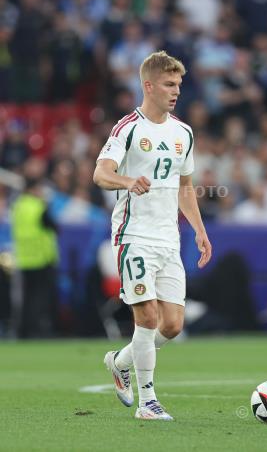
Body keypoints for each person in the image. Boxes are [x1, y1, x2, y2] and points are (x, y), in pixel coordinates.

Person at [93, 51, 212, 421]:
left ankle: (120, 361)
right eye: (168, 84)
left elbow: (186, 186)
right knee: (145, 318)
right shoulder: (128, 127)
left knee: (172, 325)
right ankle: (148, 401)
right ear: (148, 85)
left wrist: (199, 230)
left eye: (178, 84)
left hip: (168, 239)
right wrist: (128, 180)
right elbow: (101, 173)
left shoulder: (183, 133)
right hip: (134, 236)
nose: (176, 91)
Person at [11, 177, 59, 338]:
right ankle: (38, 330)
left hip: (24, 259)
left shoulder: (17, 206)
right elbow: (53, 226)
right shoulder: (39, 207)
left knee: (26, 297)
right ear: (33, 190)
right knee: (41, 298)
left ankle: (23, 331)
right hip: (41, 258)